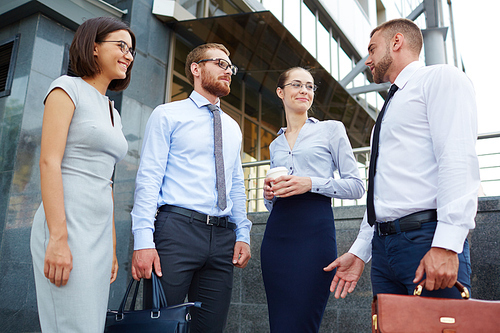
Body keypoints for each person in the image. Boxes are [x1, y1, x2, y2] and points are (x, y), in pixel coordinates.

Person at [324, 18, 479, 300]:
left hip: (427, 239)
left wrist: (447, 244)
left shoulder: (440, 79)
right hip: (384, 251)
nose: (368, 59)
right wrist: (360, 251)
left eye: (372, 49)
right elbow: (381, 191)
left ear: (397, 42)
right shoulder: (391, 105)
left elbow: (457, 160)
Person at [130, 43, 251, 333]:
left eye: (229, 66)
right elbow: (149, 178)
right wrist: (143, 240)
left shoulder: (233, 127)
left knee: (210, 328)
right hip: (176, 231)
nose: (228, 71)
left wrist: (243, 232)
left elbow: (235, 183)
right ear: (196, 69)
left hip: (223, 237)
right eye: (220, 64)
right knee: (159, 326)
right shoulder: (167, 114)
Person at [30, 17, 135, 332]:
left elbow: (109, 182)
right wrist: (58, 239)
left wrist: (113, 247)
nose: (129, 55)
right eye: (120, 46)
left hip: (99, 234)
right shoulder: (66, 88)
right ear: (93, 47)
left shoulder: (112, 110)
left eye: (131, 50)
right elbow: (49, 161)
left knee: (89, 326)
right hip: (68, 225)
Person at [261, 67, 365, 332]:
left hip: (314, 234)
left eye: (309, 86)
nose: (304, 90)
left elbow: (356, 186)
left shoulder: (332, 130)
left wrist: (310, 183)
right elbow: (272, 204)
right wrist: (268, 195)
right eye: (297, 85)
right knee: (280, 324)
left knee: (304, 323)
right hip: (277, 237)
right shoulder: (275, 144)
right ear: (281, 92)